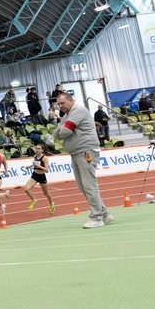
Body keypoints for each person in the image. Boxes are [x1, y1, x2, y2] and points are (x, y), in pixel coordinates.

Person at [54, 93, 113, 228]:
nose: (60, 106)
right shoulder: (66, 116)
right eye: (59, 104)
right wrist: (61, 129)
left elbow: (65, 132)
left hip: (86, 151)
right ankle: (104, 214)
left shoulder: (78, 111)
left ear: (71, 100)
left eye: (62, 103)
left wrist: (61, 128)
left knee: (89, 185)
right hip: (75, 153)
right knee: (83, 187)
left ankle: (96, 218)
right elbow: (56, 135)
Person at [24, 143, 55, 214]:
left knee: (46, 193)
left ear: (42, 150)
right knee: (26, 189)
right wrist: (29, 166)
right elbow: (35, 163)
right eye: (36, 148)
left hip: (41, 176)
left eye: (39, 149)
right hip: (34, 175)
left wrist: (39, 166)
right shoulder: (35, 156)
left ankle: (52, 204)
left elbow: (46, 170)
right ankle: (34, 200)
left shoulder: (45, 158)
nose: (37, 150)